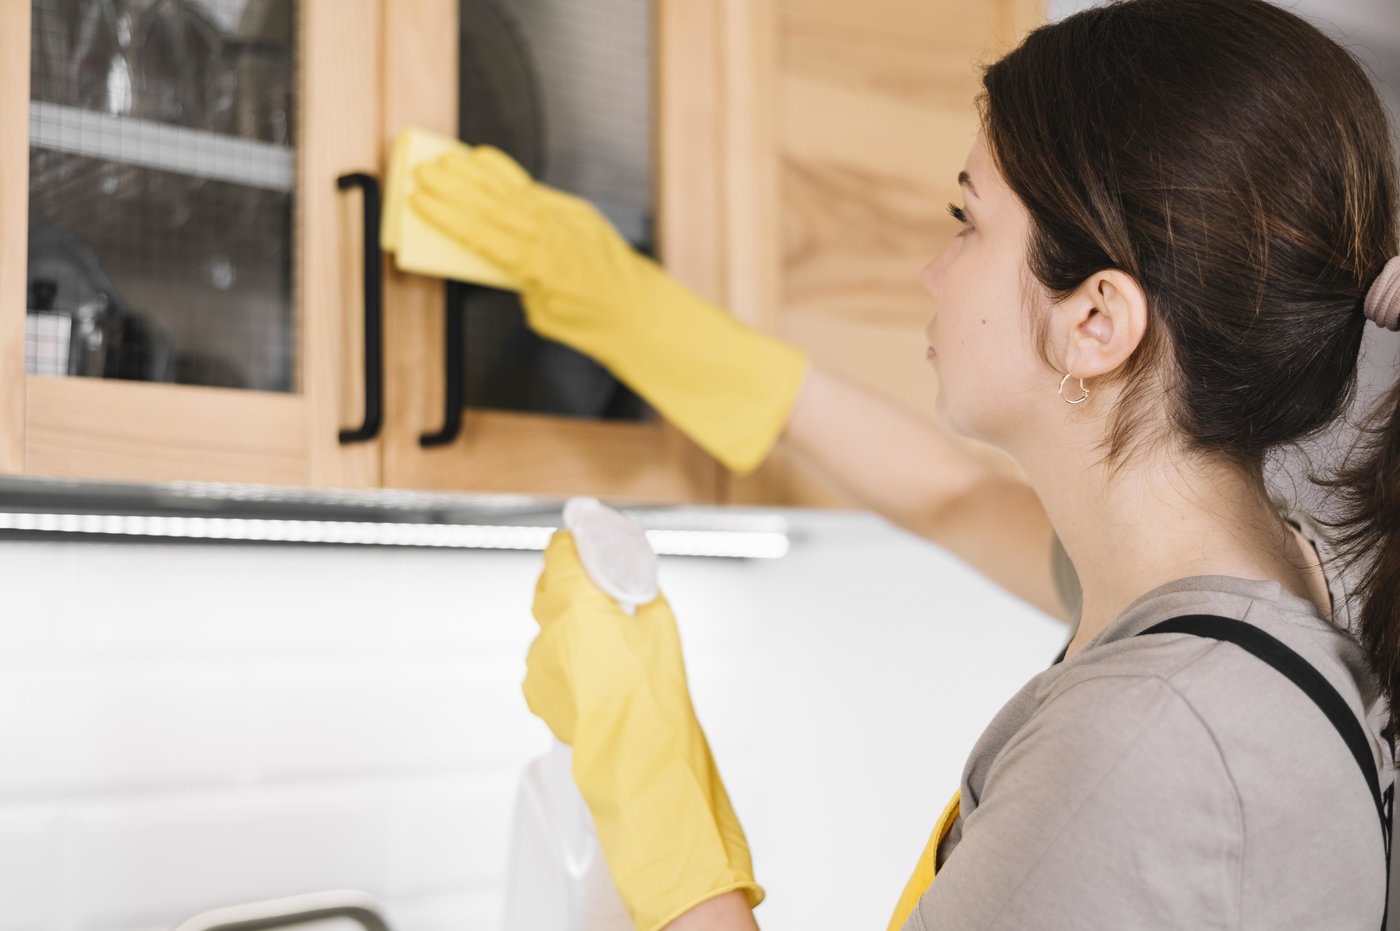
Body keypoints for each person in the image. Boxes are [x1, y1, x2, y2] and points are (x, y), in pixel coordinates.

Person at [409, 0, 1400, 926]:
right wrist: (631, 312)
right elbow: (951, 497)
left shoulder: (1149, 741)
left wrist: (654, 798)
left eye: (966, 220)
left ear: (1094, 321)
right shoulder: (1260, 584)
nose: (931, 269)